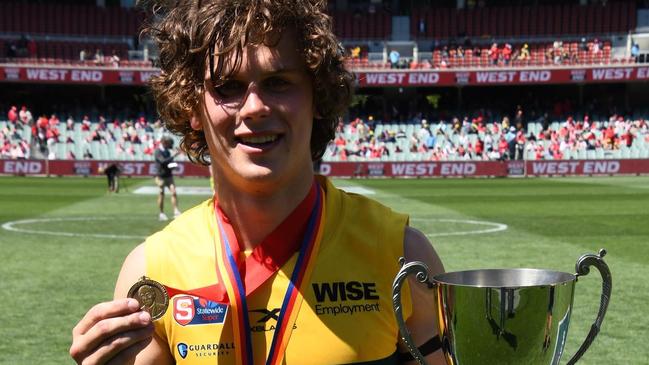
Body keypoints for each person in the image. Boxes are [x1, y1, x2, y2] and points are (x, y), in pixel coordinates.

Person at [69, 1, 445, 364]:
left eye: (278, 82)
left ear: (317, 95)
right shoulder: (152, 270)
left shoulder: (402, 257)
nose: (254, 107)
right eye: (227, 87)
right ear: (192, 105)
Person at [154, 136, 181, 220]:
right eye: (169, 143)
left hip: (169, 176)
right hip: (160, 177)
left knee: (173, 192)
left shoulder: (167, 151)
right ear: (164, 142)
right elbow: (163, 161)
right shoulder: (158, 151)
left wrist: (173, 166)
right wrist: (173, 156)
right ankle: (161, 213)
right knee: (161, 194)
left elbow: (168, 163)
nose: (170, 145)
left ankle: (176, 211)